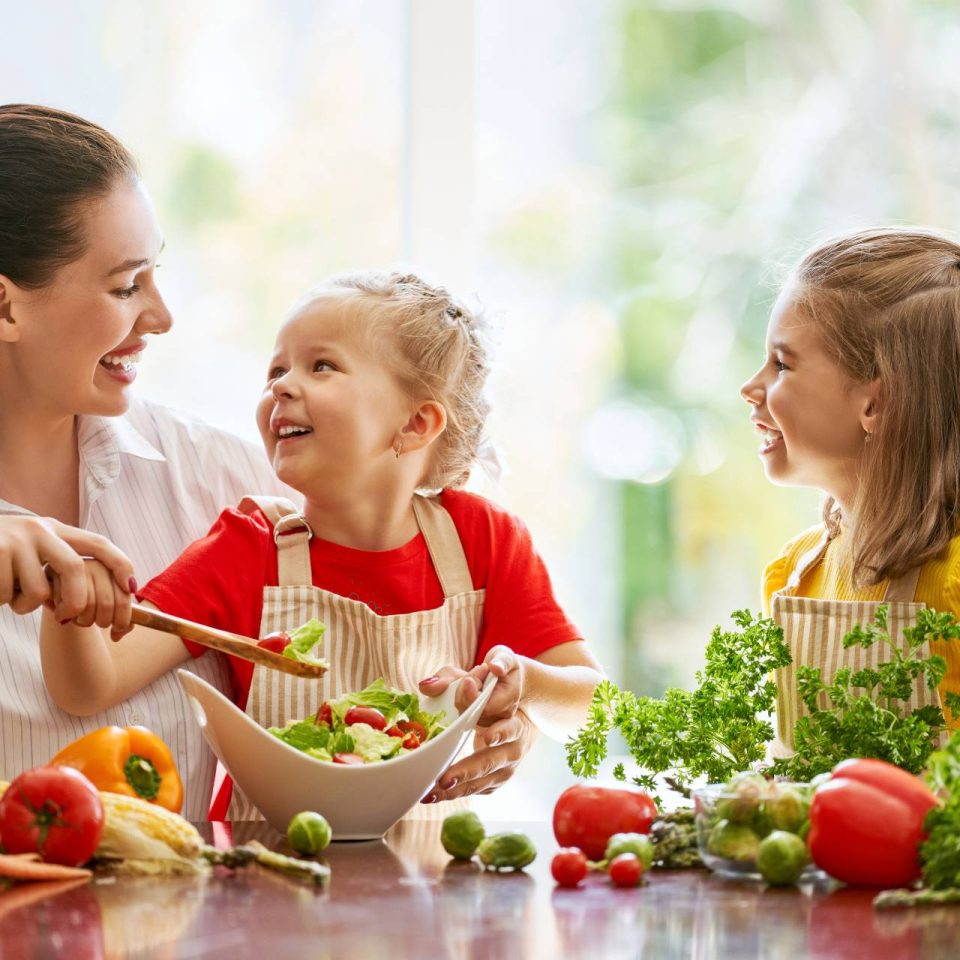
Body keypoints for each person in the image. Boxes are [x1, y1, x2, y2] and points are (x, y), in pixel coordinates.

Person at [40, 271, 605, 818]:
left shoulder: (482, 540)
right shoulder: (248, 547)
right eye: (277, 369)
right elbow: (90, 685)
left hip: (428, 886)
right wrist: (65, 593)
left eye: (322, 366)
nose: (280, 385)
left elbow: (591, 709)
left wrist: (524, 685)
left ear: (415, 423)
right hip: (267, 877)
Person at [0, 103, 294, 818]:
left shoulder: (220, 481)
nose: (161, 316)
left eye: (155, 275)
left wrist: (495, 710)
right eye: (126, 285)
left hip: (207, 927)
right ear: (5, 307)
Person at [740, 227, 960, 756]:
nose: (750, 388)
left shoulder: (952, 583)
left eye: (783, 364)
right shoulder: (795, 575)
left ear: (875, 404)